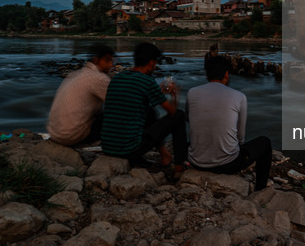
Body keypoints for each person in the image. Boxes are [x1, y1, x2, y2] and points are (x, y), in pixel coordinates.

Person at [186, 56, 272, 191]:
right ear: (226, 74)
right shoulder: (239, 96)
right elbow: (240, 136)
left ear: (207, 74)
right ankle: (260, 189)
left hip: (195, 161)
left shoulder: (192, 92)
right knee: (265, 143)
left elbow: (189, 119)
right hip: (227, 165)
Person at [101, 42, 187, 171]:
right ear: (151, 63)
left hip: (108, 147)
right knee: (179, 115)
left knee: (149, 112)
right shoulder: (148, 82)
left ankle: (165, 156)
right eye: (156, 63)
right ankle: (179, 167)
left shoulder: (117, 78)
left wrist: (158, 92)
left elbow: (134, 97)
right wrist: (175, 95)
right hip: (129, 150)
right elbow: (172, 112)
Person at [47, 44, 114, 146]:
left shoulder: (75, 74)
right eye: (107, 61)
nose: (111, 65)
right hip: (72, 137)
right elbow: (117, 102)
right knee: (117, 113)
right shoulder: (99, 78)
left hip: (55, 134)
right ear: (96, 60)